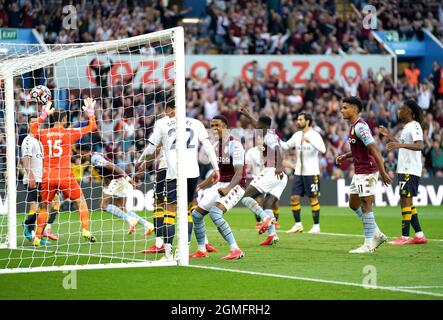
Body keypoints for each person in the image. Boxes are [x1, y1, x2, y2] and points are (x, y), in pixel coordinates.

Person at [137, 99, 220, 261]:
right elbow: (208, 147)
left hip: (174, 172)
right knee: (189, 209)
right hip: (192, 171)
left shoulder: (163, 124)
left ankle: (168, 254)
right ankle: (183, 252)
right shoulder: (196, 123)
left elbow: (152, 148)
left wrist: (140, 160)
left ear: (170, 109)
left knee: (170, 210)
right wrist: (216, 168)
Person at [30, 98, 98, 246]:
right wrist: (90, 112)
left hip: (48, 176)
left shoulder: (44, 133)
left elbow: (32, 130)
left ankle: (38, 237)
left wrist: (43, 115)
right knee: (81, 202)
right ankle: (86, 230)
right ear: (65, 119)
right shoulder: (69, 133)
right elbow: (92, 126)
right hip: (65, 176)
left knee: (44, 206)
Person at [336, 96, 391, 253]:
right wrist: (345, 156)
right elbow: (359, 149)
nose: (342, 110)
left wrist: (383, 171)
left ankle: (368, 244)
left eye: (345, 108)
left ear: (354, 109)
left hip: (367, 171)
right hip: (359, 170)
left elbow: (373, 149)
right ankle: (376, 233)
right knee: (353, 204)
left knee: (366, 204)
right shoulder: (353, 127)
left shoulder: (361, 127)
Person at [189, 115, 246, 260]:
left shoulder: (235, 145)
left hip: (236, 185)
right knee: (196, 215)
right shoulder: (215, 146)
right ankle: (202, 250)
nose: (214, 128)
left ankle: (236, 250)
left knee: (215, 214)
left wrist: (228, 189)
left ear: (226, 127)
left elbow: (239, 173)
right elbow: (216, 173)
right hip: (220, 184)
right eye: (212, 125)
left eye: (217, 125)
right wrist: (200, 186)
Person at [379, 99, 427, 245]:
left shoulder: (415, 125)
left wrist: (398, 144)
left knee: (405, 199)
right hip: (404, 168)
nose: (399, 110)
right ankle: (419, 235)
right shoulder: (406, 127)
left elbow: (420, 145)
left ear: (410, 112)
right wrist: (389, 136)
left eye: (402, 108)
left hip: (410, 168)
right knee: (406, 200)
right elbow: (403, 145)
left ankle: (405, 237)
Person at [79, 144, 154, 235]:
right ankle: (148, 225)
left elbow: (112, 166)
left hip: (117, 180)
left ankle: (131, 220)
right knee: (122, 208)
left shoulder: (95, 158)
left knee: (103, 205)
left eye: (81, 154)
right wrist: (106, 185)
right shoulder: (95, 157)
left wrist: (128, 178)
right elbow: (105, 172)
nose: (81, 157)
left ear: (86, 152)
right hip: (119, 180)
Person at [239, 108, 288, 246]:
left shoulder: (269, 137)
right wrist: (248, 115)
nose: (256, 127)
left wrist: (278, 167)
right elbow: (257, 124)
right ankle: (272, 235)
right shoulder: (268, 134)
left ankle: (265, 218)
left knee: (246, 197)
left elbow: (279, 150)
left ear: (263, 126)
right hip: (281, 177)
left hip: (272, 171)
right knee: (267, 204)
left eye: (258, 124)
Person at [279, 113, 326, 234]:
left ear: (308, 121)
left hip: (311, 172)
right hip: (299, 172)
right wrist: (276, 139)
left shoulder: (315, 135)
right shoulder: (297, 135)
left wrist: (310, 142)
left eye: (300, 120)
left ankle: (316, 226)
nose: (297, 122)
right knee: (294, 198)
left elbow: (323, 150)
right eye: (297, 119)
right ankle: (298, 225)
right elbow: (285, 146)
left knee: (312, 198)